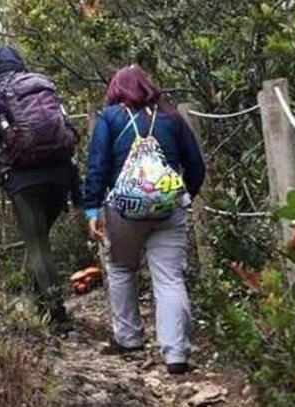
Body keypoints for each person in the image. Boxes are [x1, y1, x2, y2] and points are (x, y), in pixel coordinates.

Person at [83, 64, 205, 375]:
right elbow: (196, 165)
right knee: (170, 278)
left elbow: (96, 165)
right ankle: (176, 354)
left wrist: (93, 209)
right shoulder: (172, 117)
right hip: (168, 209)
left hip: (124, 211)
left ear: (116, 90)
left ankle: (129, 338)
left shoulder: (109, 118)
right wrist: (182, 196)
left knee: (122, 268)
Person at [0, 45, 80, 328]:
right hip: (58, 177)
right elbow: (66, 129)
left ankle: (56, 314)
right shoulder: (42, 87)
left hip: (24, 181)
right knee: (41, 242)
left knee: (37, 247)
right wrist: (75, 187)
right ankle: (39, 304)